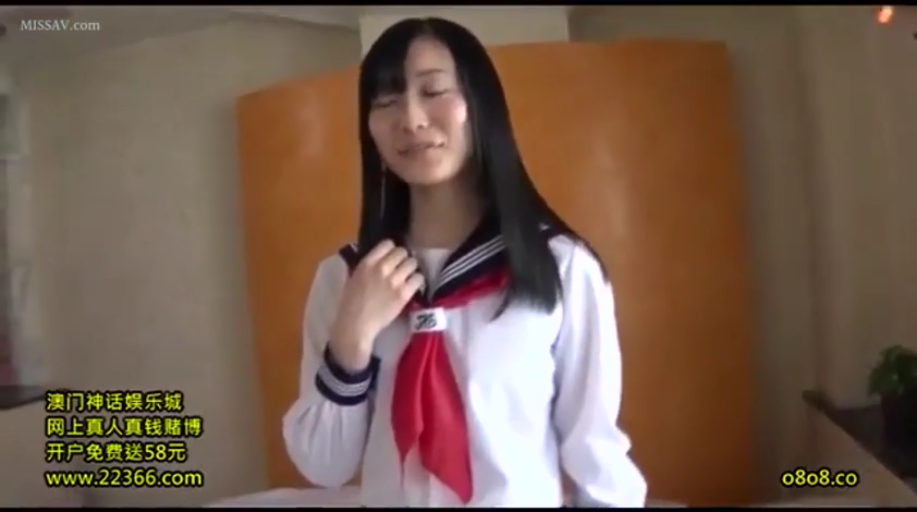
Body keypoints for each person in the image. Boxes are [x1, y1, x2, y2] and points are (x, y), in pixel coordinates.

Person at [282, 16, 647, 508]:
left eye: (433, 91)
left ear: (479, 103)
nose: (411, 118)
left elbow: (594, 452)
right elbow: (324, 467)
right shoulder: (344, 278)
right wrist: (350, 341)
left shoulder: (561, 268)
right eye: (386, 101)